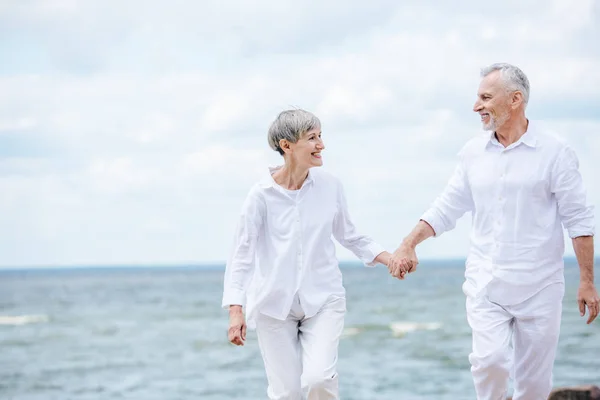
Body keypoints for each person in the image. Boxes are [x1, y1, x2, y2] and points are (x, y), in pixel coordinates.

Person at [388, 63, 598, 400]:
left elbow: (579, 219)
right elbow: (446, 207)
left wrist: (587, 280)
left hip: (540, 287)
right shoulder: (472, 154)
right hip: (486, 284)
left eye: (485, 97)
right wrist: (408, 244)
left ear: (515, 99)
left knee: (533, 385)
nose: (476, 106)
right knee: (490, 363)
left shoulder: (556, 152)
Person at [222, 109, 396, 400]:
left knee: (318, 380)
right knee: (287, 393)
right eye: (312, 138)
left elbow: (349, 235)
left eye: (320, 136)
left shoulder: (330, 186)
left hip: (323, 300)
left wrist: (388, 258)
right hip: (273, 306)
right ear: (286, 145)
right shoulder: (260, 196)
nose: (321, 145)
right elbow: (242, 255)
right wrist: (235, 311)